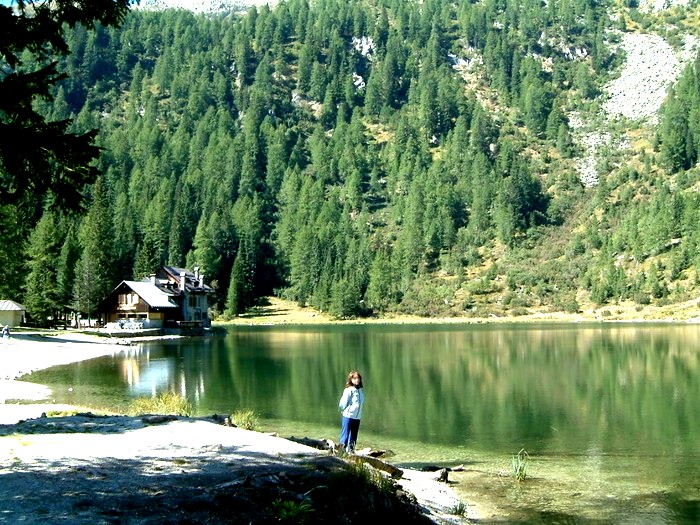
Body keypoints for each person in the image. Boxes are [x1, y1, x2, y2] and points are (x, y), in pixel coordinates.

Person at [338, 370, 364, 453]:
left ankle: (351, 451)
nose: (357, 380)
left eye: (358, 378)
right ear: (351, 380)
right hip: (348, 415)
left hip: (357, 417)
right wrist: (342, 409)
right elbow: (343, 402)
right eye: (354, 378)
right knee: (345, 434)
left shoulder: (360, 390)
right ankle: (341, 452)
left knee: (354, 435)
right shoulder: (349, 390)